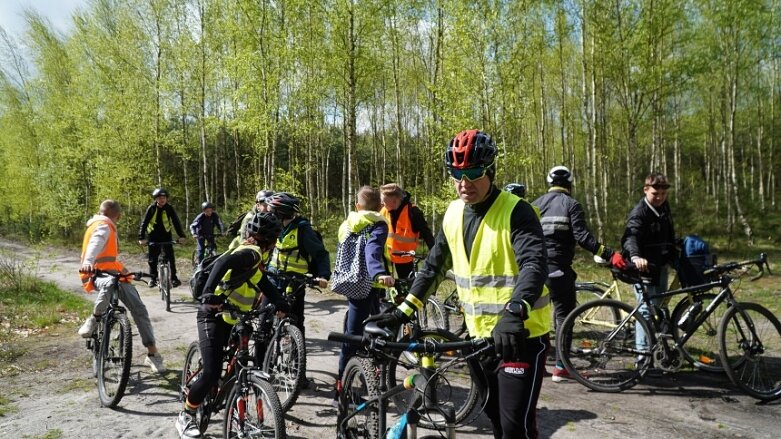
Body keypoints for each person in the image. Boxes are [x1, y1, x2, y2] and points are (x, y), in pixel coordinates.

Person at [369, 129, 551, 439]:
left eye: (473, 173)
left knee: (513, 429)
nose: (464, 182)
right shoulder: (453, 213)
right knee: (494, 419)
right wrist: (402, 311)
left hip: (519, 336)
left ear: (490, 171)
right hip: (478, 339)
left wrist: (515, 310)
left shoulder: (517, 211)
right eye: (456, 173)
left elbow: (534, 265)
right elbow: (433, 268)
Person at [175, 212, 288, 439]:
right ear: (272, 240)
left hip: (233, 317)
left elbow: (263, 283)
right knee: (211, 372)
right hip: (212, 315)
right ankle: (186, 415)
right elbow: (225, 262)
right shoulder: (251, 253)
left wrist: (282, 304)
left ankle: (233, 402)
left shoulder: (255, 261)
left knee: (237, 364)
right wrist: (208, 293)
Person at [531, 166, 618, 382]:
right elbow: (582, 237)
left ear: (549, 183)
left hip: (535, 271)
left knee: (535, 319)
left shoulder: (534, 205)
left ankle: (537, 365)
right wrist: (608, 253)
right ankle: (561, 367)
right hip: (559, 272)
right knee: (564, 317)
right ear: (570, 184)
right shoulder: (572, 205)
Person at [78, 199, 166, 373]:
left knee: (139, 309)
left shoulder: (99, 224)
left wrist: (127, 272)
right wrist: (88, 262)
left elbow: (110, 259)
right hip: (97, 275)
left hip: (113, 274)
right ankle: (95, 319)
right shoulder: (104, 226)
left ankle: (153, 354)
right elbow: (95, 244)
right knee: (112, 284)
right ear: (117, 215)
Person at [333, 185, 394, 406]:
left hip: (351, 282)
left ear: (357, 206)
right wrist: (379, 273)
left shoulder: (347, 223)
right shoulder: (378, 224)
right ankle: (343, 388)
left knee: (365, 327)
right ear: (380, 206)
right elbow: (372, 250)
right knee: (357, 335)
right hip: (368, 282)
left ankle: (364, 379)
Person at [620, 172, 676, 366]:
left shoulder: (664, 207)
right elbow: (630, 237)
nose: (659, 197)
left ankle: (657, 347)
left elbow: (669, 231)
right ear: (646, 190)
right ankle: (642, 356)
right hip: (642, 267)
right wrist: (636, 257)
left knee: (659, 307)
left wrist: (674, 250)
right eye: (655, 193)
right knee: (645, 310)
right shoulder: (640, 212)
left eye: (663, 193)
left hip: (659, 265)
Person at [265, 192, 331, 337]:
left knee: (296, 321)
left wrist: (323, 276)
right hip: (272, 279)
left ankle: (297, 357)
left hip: (295, 282)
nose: (268, 215)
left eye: (271, 212)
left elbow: (320, 254)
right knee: (264, 322)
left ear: (280, 214)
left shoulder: (303, 230)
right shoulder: (272, 227)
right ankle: (262, 357)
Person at [379, 183, 435, 279]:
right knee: (384, 287)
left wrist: (435, 254)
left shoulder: (413, 212)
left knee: (406, 288)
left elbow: (427, 234)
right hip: (386, 257)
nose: (382, 203)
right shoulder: (384, 210)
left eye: (384, 201)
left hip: (405, 258)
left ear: (394, 201)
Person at [138, 188, 187, 288]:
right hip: (153, 236)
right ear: (156, 199)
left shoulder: (169, 208)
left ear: (167, 199)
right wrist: (141, 237)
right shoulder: (151, 208)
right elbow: (144, 223)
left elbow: (176, 222)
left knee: (170, 258)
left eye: (164, 198)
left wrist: (181, 236)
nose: (162, 200)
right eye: (160, 198)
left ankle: (173, 278)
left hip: (166, 236)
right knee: (152, 259)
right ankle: (153, 278)